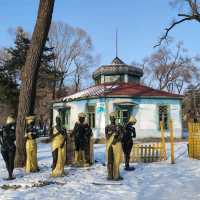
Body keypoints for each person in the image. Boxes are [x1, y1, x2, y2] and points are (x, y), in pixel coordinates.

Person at [105, 112, 123, 181]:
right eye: (111, 117)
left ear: (115, 118)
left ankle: (116, 175)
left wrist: (117, 139)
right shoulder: (107, 127)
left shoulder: (119, 126)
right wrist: (114, 137)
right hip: (109, 145)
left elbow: (121, 136)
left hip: (117, 145)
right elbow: (107, 136)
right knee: (110, 160)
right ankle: (110, 175)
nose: (112, 118)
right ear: (110, 118)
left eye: (113, 117)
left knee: (117, 160)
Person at [0, 116, 16, 180]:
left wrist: (1, 143)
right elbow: (14, 138)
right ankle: (10, 175)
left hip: (3, 148)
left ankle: (10, 174)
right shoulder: (11, 129)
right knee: (10, 162)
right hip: (10, 148)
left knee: (7, 162)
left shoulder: (2, 128)